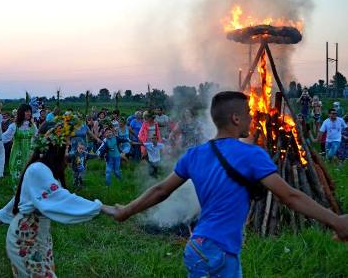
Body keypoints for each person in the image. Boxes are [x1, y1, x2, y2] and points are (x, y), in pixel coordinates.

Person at [111, 91, 348, 277]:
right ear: (236, 118)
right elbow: (290, 196)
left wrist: (126, 211)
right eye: (248, 113)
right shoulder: (252, 155)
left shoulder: (194, 154)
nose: (252, 118)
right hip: (220, 252)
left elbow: (161, 190)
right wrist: (336, 221)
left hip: (198, 248)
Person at [0, 121, 115, 278]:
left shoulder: (45, 169)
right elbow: (61, 198)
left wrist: (0, 215)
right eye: (65, 147)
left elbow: (21, 197)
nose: (67, 152)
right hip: (26, 237)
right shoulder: (38, 169)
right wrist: (102, 207)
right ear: (54, 147)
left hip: (39, 236)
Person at [2, 104, 37, 188]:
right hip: (18, 154)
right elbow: (4, 138)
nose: (29, 113)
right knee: (17, 176)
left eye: (30, 111)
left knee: (29, 176)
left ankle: (28, 195)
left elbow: (38, 138)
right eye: (26, 111)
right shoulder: (14, 126)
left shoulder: (32, 126)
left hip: (30, 154)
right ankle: (18, 196)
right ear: (21, 112)